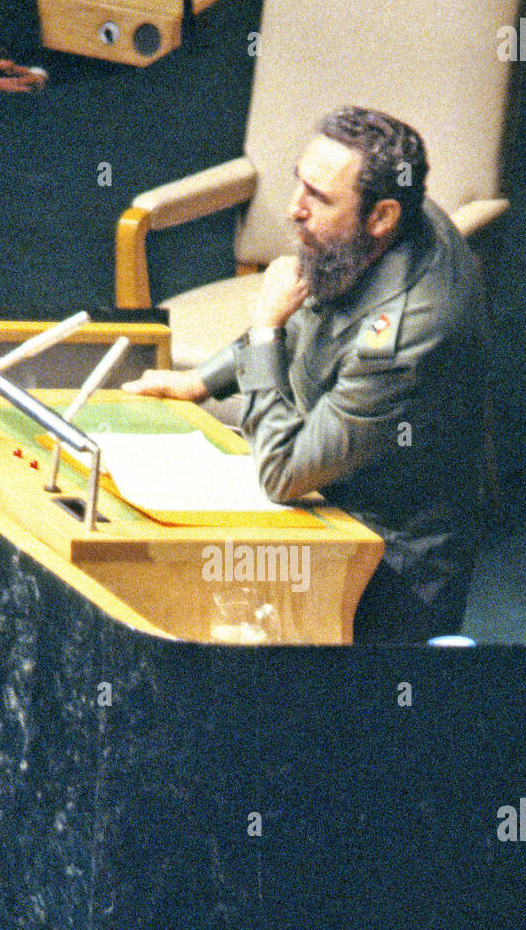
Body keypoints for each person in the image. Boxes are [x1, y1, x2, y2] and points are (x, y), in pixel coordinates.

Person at [123, 106, 489, 644]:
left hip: (386, 566)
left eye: (317, 199)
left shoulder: (404, 338)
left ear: (382, 216)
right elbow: (315, 302)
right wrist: (202, 381)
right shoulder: (383, 220)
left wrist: (265, 328)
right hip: (339, 488)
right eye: (300, 184)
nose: (294, 210)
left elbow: (283, 472)